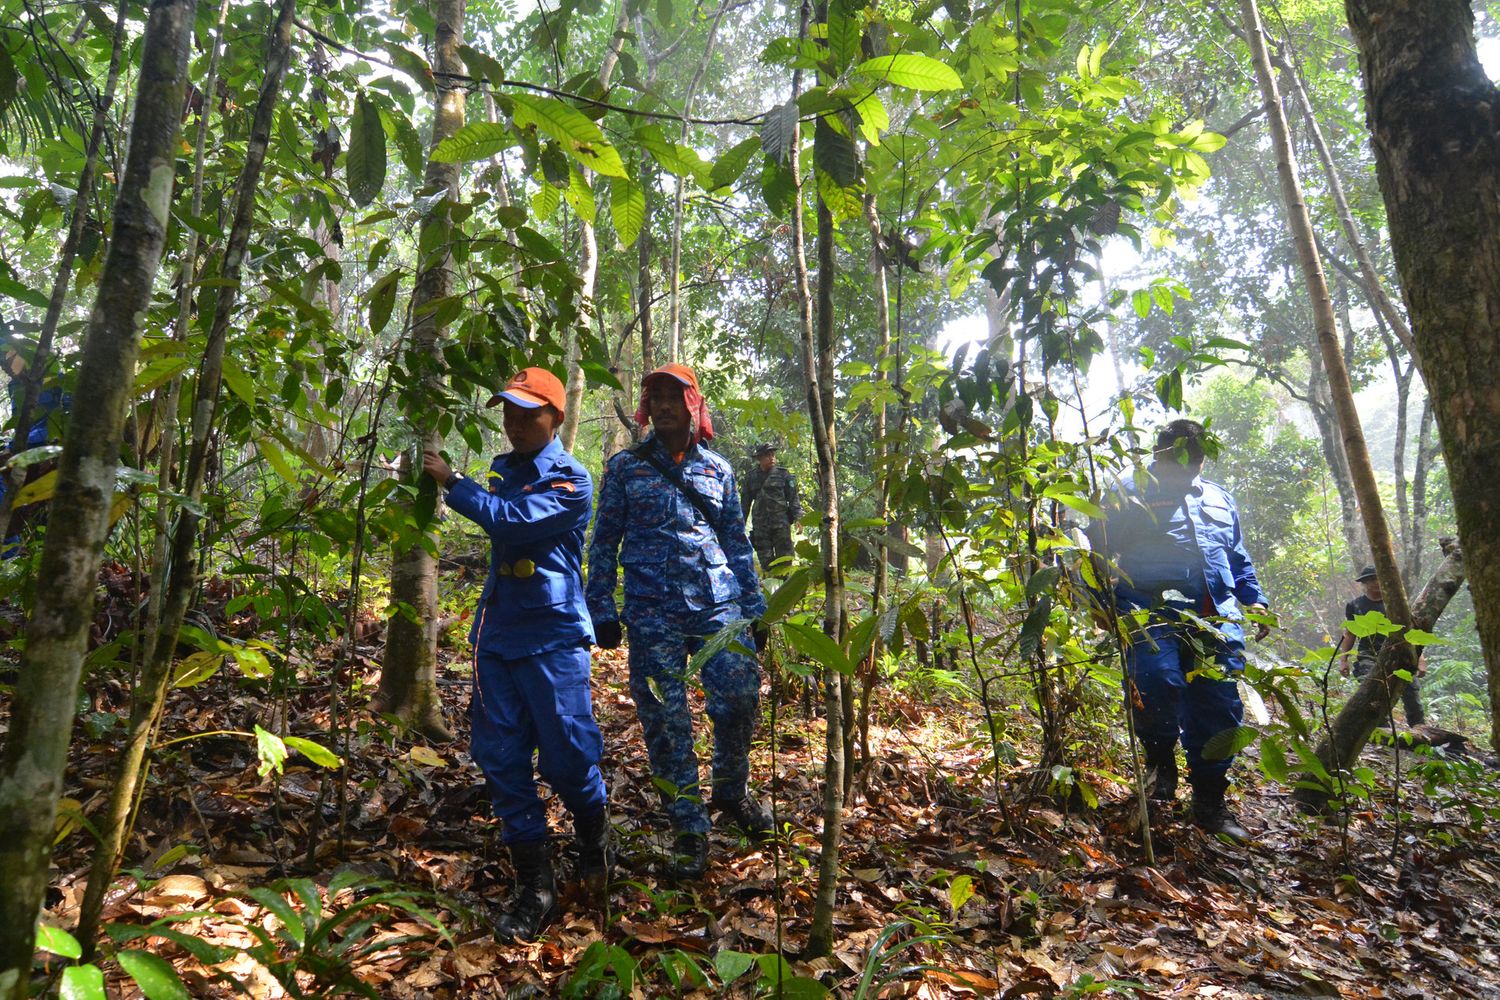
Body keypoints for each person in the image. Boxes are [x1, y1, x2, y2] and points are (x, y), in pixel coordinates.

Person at [421, 366, 609, 941]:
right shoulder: (503, 471)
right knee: (501, 760)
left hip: (553, 637)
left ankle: (594, 837)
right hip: (499, 636)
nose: (516, 423)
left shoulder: (572, 480)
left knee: (568, 756)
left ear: (555, 417)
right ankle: (536, 884)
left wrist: (453, 483)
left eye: (530, 413)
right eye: (509, 412)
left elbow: (514, 524)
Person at [586, 363, 772, 880]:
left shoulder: (720, 471)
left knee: (738, 698)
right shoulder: (624, 469)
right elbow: (603, 541)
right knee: (666, 722)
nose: (665, 405)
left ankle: (732, 793)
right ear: (647, 408)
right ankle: (689, 826)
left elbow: (737, 542)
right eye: (656, 397)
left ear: (694, 406)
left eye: (675, 396)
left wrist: (754, 608)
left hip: (719, 606)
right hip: (651, 610)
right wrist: (600, 606)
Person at [1087, 419, 1271, 842]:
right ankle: (1159, 759)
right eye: (1181, 457)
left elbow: (1237, 555)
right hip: (1148, 609)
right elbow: (1092, 547)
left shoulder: (1220, 498)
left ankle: (1209, 801)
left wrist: (1254, 598)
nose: (1191, 466)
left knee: (1219, 704)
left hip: (1217, 618)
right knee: (1156, 682)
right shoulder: (1126, 492)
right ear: (1160, 453)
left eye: (1198, 458)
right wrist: (1100, 602)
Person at [1336, 565, 1426, 725]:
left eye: (1377, 578)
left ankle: (1419, 729)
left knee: (1411, 692)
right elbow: (1350, 633)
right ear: (1364, 583)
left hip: (1399, 652)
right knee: (1371, 689)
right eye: (1370, 579)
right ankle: (1380, 728)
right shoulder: (1355, 606)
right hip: (1368, 654)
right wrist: (1343, 659)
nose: (1375, 582)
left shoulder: (1396, 604)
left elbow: (1410, 631)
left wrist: (1420, 659)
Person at [741, 442, 802, 574]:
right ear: (759, 458)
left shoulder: (784, 475)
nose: (772, 458)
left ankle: (786, 589)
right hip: (760, 527)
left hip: (781, 525)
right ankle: (771, 590)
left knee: (785, 562)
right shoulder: (750, 477)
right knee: (766, 562)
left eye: (773, 455)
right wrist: (739, 527)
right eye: (767, 456)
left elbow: (793, 499)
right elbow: (744, 505)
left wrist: (799, 518)